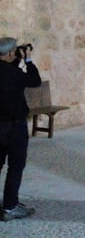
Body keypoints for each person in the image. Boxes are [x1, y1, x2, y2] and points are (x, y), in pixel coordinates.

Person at [0, 37, 41, 221]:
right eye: (14, 51)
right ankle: (10, 206)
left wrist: (17, 59)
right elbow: (35, 81)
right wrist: (28, 59)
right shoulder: (13, 73)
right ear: (9, 53)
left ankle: (9, 202)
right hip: (14, 126)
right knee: (15, 167)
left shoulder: (9, 70)